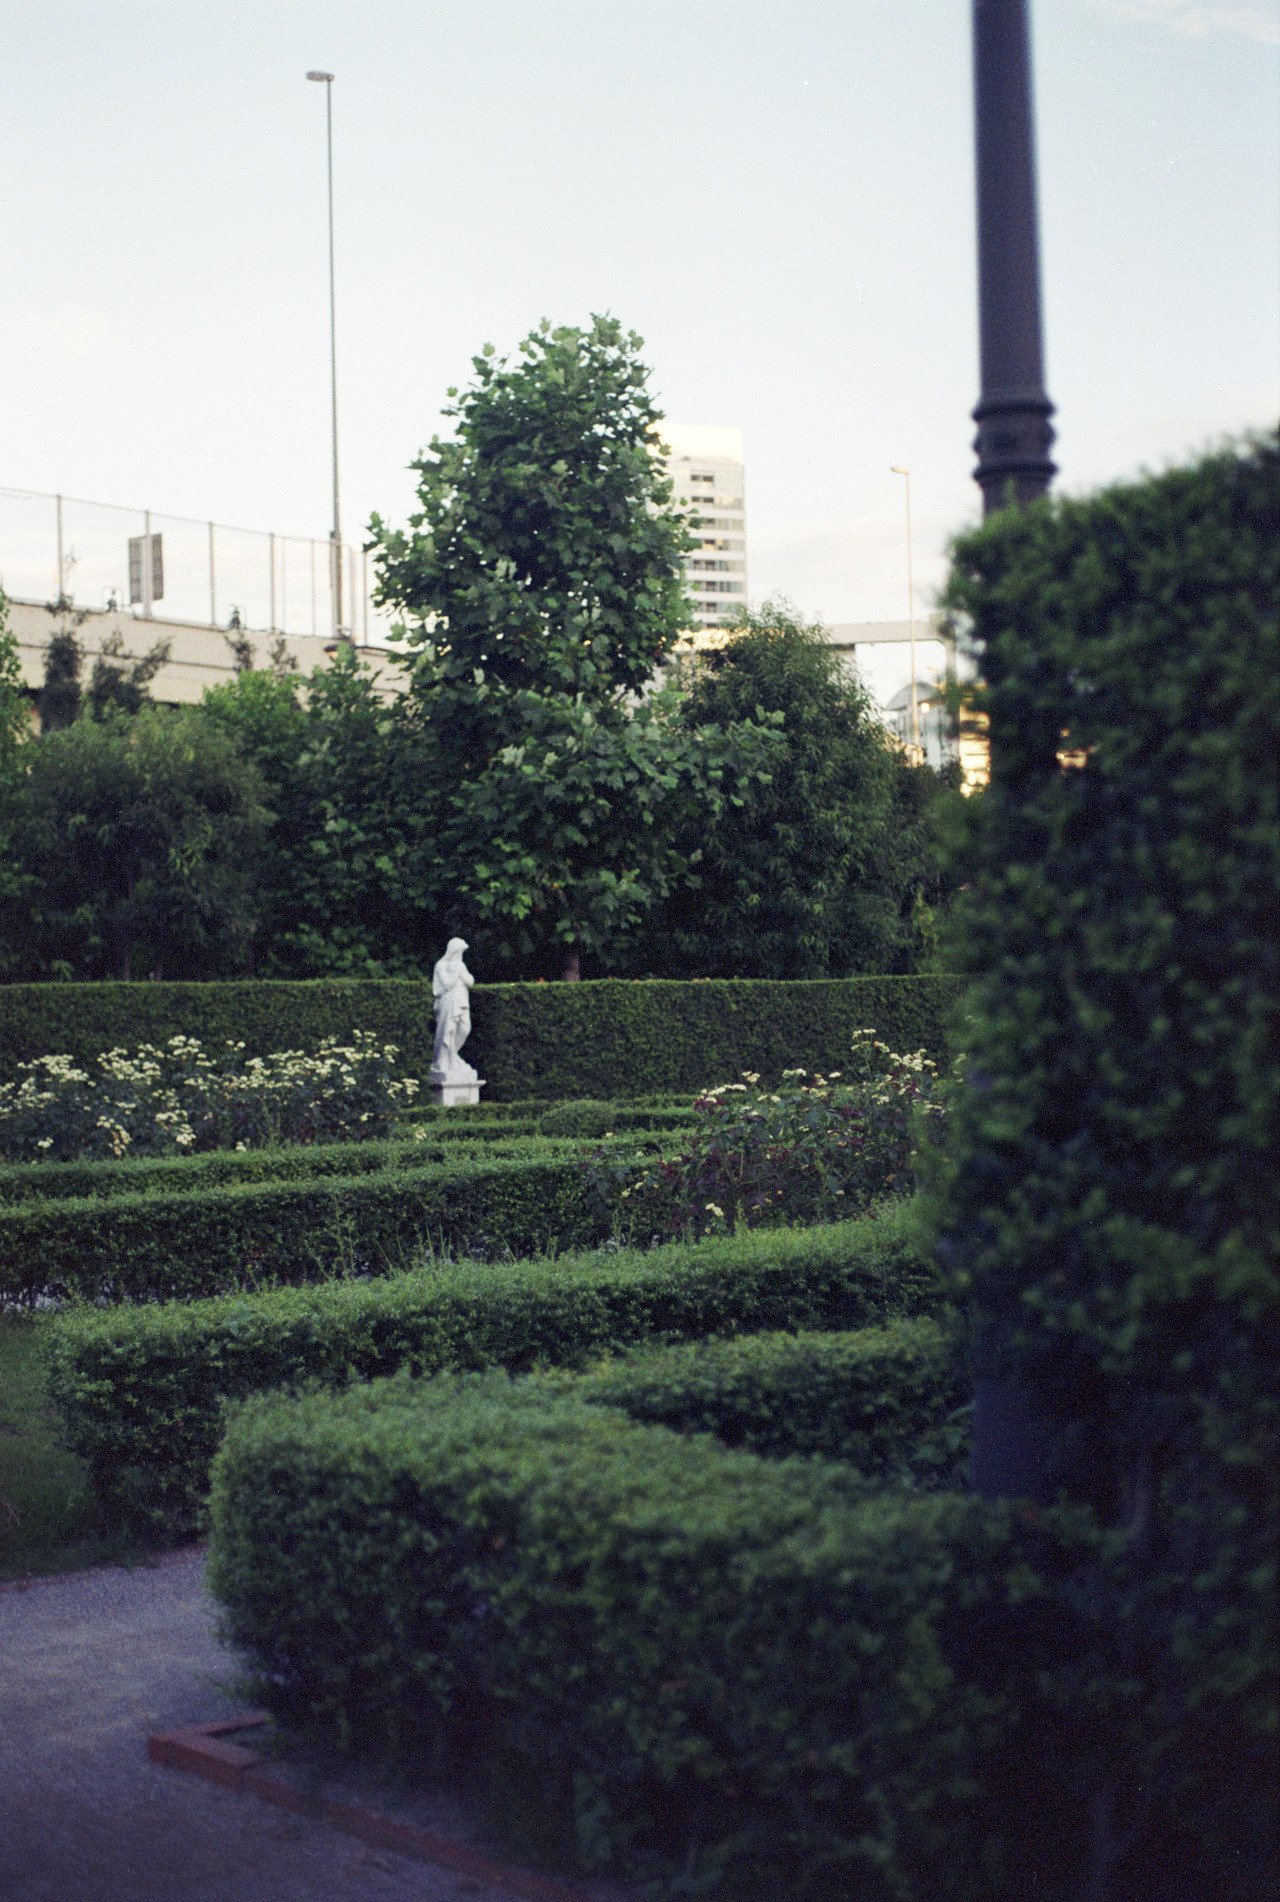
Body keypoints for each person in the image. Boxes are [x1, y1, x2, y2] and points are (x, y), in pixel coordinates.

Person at [431, 937, 477, 1082]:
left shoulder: (460, 965)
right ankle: (443, 1059)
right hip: (448, 1002)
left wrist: (460, 970)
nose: (461, 955)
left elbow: (470, 981)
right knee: (448, 1031)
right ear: (453, 951)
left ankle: (453, 1055)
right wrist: (457, 971)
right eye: (460, 952)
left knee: (465, 1028)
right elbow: (447, 984)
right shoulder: (441, 965)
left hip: (461, 1001)